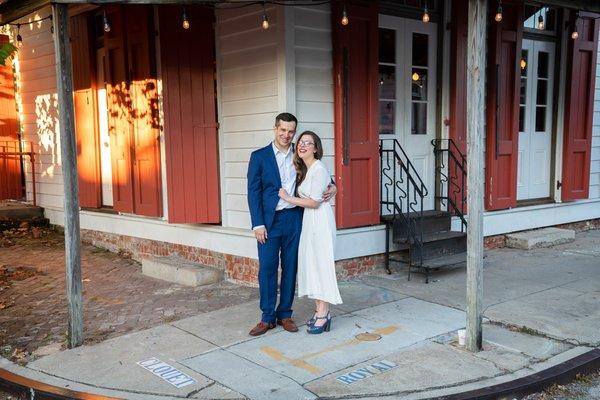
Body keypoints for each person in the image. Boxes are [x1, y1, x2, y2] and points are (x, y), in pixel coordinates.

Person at [246, 113, 336, 336]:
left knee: (290, 267)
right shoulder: (259, 157)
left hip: (295, 219)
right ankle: (267, 317)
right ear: (275, 129)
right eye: (282, 130)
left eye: (291, 131)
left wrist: (334, 186)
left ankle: (285, 313)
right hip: (269, 222)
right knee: (267, 267)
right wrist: (257, 224)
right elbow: (253, 192)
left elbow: (320, 173)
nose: (287, 135)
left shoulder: (300, 152)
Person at [278, 131, 342, 334]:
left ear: (316, 148)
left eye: (309, 143)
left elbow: (314, 202)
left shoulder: (318, 168)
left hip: (319, 221)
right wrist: (334, 187)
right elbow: (326, 186)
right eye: (301, 142)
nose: (303, 145)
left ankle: (323, 313)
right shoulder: (306, 169)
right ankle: (319, 310)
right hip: (310, 222)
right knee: (313, 265)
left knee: (320, 265)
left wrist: (288, 198)